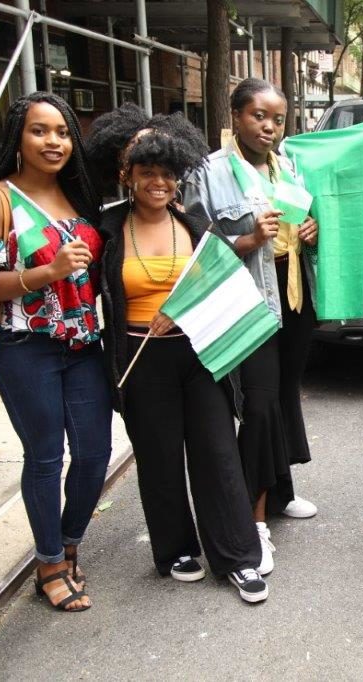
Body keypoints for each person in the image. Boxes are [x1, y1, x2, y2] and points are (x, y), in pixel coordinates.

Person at [86, 104, 267, 602]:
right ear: (129, 176)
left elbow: (221, 282)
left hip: (197, 354)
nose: (159, 183)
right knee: (159, 457)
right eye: (148, 172)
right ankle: (175, 550)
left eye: (167, 174)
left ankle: (239, 558)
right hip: (140, 357)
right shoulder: (104, 229)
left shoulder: (193, 227)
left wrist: (187, 310)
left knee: (217, 451)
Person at [0, 92, 111, 612]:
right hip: (25, 349)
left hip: (83, 346)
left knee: (93, 454)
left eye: (62, 131)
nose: (53, 141)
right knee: (44, 457)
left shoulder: (80, 197)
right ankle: (49, 563)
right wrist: (48, 272)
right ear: (18, 137)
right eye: (40, 131)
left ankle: (70, 541)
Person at [185, 78, 318, 576]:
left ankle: (279, 494)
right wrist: (244, 241)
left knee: (283, 396)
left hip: (294, 292)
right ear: (236, 116)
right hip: (249, 300)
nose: (268, 127)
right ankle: (250, 520)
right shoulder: (209, 172)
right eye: (258, 116)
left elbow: (306, 218)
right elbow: (192, 244)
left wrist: (312, 229)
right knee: (258, 405)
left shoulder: (290, 164)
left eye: (277, 118)